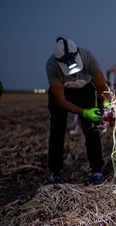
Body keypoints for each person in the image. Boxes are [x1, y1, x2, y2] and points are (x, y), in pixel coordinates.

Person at [46, 37, 108, 184]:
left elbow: (101, 86)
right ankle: (55, 172)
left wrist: (104, 106)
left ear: (77, 54)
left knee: (91, 129)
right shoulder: (52, 65)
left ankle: (96, 170)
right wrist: (84, 112)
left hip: (85, 90)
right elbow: (61, 101)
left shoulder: (88, 57)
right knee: (57, 130)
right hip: (63, 93)